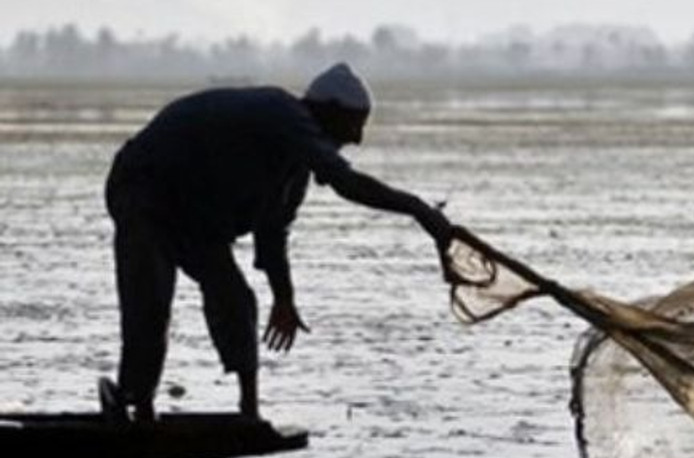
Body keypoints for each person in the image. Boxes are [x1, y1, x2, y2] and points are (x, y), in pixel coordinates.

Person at [100, 62, 452, 422]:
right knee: (151, 297)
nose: (358, 139)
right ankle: (134, 404)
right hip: (144, 188)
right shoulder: (282, 113)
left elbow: (272, 235)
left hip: (197, 214)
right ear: (326, 112)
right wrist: (417, 209)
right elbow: (344, 181)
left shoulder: (293, 172)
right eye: (354, 124)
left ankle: (248, 412)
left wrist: (284, 297)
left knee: (236, 299)